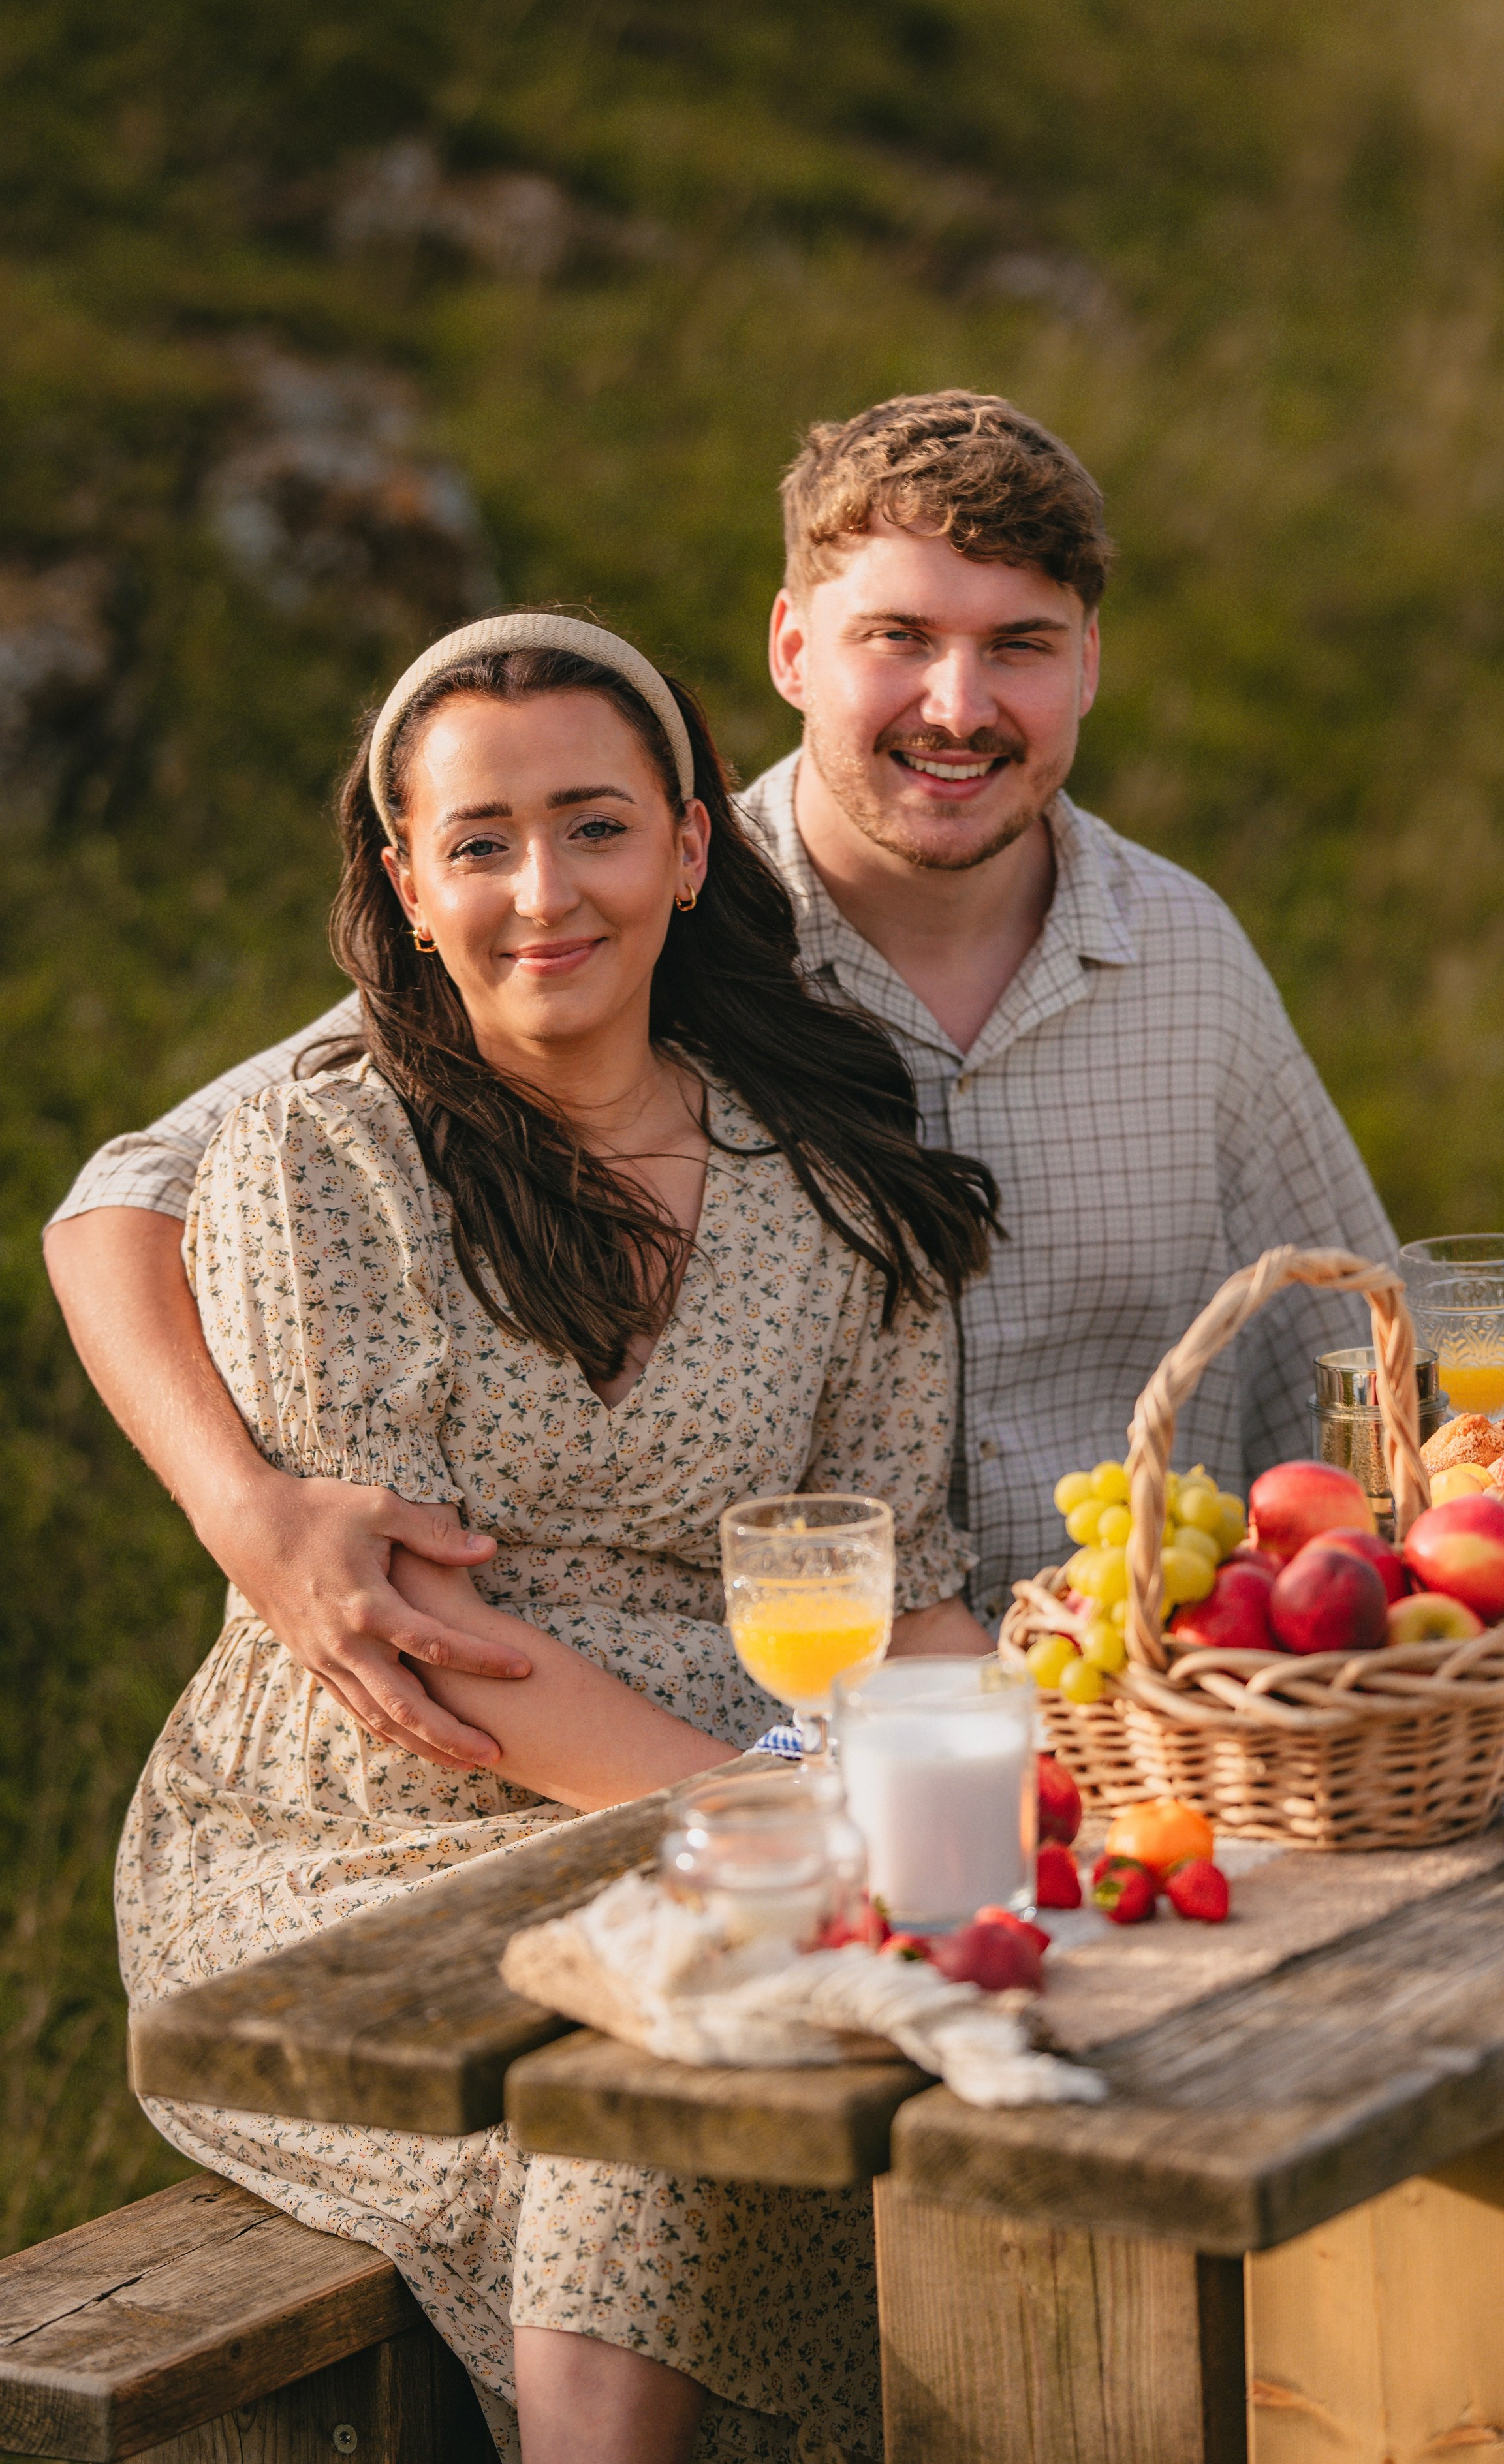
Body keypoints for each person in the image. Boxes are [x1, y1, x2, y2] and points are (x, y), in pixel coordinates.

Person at [47, 391, 1396, 1692]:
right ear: (793, 646)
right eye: (900, 635)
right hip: (805, 1719)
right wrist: (248, 1511)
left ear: (1090, 661)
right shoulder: (623, 917)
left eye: (1022, 645)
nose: (957, 703)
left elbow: (1358, 1347)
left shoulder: (1186, 953)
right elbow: (126, 1200)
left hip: (1164, 1702)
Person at [110, 612, 996, 2464]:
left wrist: (951, 1819)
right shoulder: (318, 1151)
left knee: (974, 2067)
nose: (543, 893)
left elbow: (910, 1584)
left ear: (689, 848)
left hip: (755, 1795)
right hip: (361, 1832)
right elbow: (405, 1628)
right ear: (405, 884)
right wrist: (775, 1842)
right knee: (639, 2086)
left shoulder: (827, 1168)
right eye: (482, 843)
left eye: (594, 828)